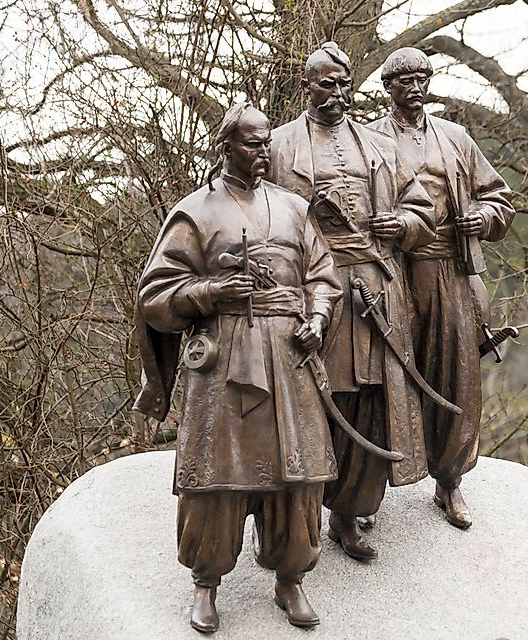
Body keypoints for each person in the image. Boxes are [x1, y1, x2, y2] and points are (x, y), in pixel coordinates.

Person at [133, 103, 342, 633]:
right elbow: (155, 297)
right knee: (216, 476)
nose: (264, 151)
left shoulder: (295, 208)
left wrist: (317, 317)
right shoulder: (195, 213)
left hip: (290, 357)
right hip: (225, 359)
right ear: (225, 146)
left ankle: (291, 576)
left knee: (300, 475)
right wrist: (211, 291)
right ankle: (206, 582)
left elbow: (322, 275)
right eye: (252, 143)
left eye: (267, 141)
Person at [267, 42, 435, 561]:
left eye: (344, 85)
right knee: (309, 396)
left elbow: (419, 206)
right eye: (326, 85)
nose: (337, 94)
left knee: (368, 397)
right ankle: (292, 514)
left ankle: (348, 512)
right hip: (308, 287)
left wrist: (403, 224)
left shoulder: (377, 146)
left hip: (374, 286)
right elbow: (245, 207)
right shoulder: (277, 145)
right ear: (306, 86)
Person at [368, 47, 515, 529]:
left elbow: (500, 199)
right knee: (385, 372)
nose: (415, 86)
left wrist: (484, 217)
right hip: (392, 269)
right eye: (404, 79)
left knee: (456, 374)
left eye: (422, 77)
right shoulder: (370, 141)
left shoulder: (455, 139)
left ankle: (449, 482)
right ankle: (364, 491)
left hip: (450, 268)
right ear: (388, 87)